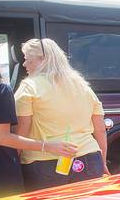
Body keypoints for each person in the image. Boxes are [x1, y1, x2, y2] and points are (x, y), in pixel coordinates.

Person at [14, 38, 107, 191]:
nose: (24, 64)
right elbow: (100, 129)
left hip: (43, 163)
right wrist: (102, 161)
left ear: (42, 59)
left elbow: (22, 130)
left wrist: (13, 161)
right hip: (89, 157)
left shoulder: (29, 87)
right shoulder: (82, 85)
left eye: (26, 59)